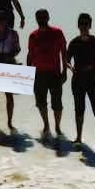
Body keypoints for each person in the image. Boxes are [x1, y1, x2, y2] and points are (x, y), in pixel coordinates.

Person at [67, 12, 95, 153]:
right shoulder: (74, 43)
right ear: (78, 26)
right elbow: (66, 59)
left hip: (93, 81)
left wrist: (92, 66)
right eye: (82, 24)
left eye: (86, 24)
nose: (84, 26)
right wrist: (70, 67)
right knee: (79, 109)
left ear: (90, 25)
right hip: (77, 80)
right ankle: (78, 138)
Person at [25, 8, 67, 139]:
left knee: (57, 104)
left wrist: (65, 71)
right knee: (40, 103)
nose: (41, 20)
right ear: (36, 19)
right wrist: (27, 73)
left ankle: (58, 127)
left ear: (48, 18)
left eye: (44, 17)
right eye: (39, 18)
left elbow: (64, 53)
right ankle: (46, 125)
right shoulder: (33, 35)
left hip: (55, 73)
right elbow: (30, 55)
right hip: (38, 74)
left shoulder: (57, 33)